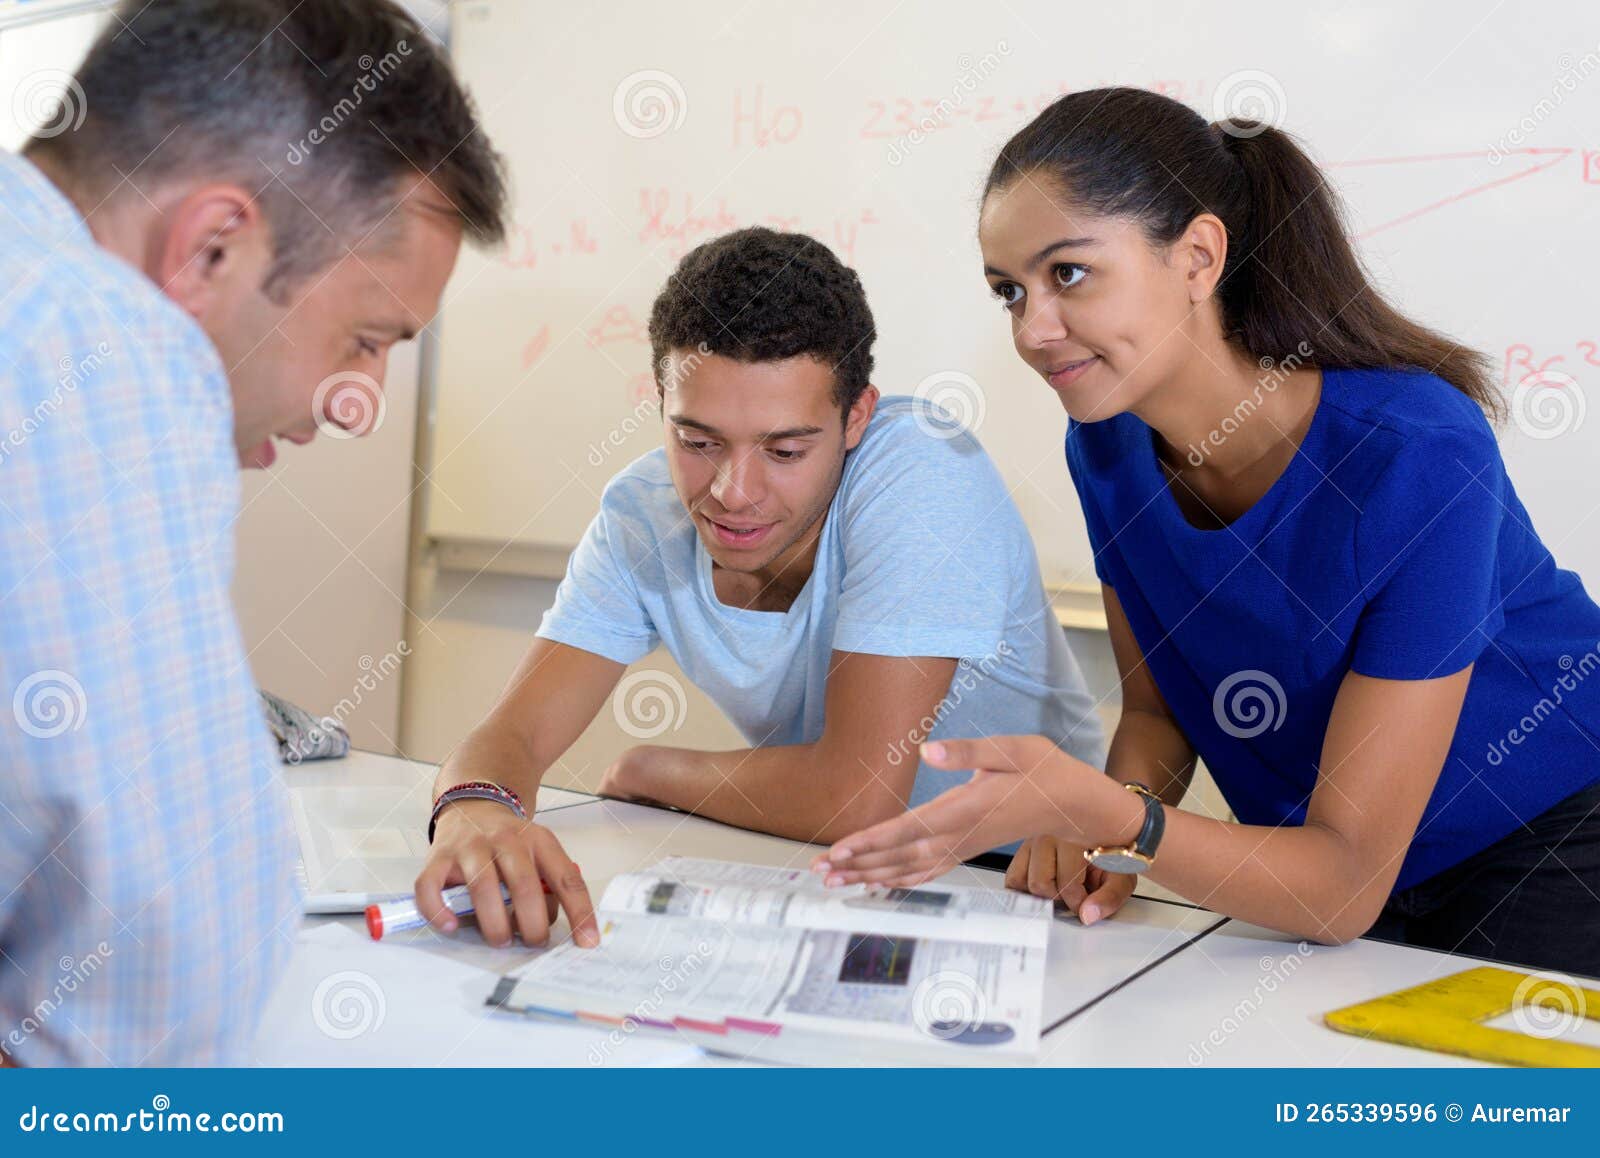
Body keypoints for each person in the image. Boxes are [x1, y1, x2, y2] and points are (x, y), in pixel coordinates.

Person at [812, 86, 1600, 977]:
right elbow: (1157, 711)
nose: (1034, 330)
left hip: (1551, 840)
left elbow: (1341, 888)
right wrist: (1107, 828)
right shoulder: (1106, 446)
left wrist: (1119, 820)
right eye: (1009, 292)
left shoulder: (1417, 452)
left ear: (1198, 256)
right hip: (1327, 881)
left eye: (1068, 274)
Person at [0, 0, 523, 1065]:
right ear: (211, 249)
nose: (358, 403)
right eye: (365, 340)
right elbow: (157, 981)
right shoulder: (84, 340)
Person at [414, 227, 1107, 947]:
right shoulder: (644, 513)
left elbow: (857, 798)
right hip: (832, 870)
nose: (732, 492)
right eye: (698, 441)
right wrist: (475, 810)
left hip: (1033, 881)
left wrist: (653, 769)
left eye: (784, 450)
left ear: (856, 418)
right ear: (661, 402)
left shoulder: (921, 468)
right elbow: (514, 735)